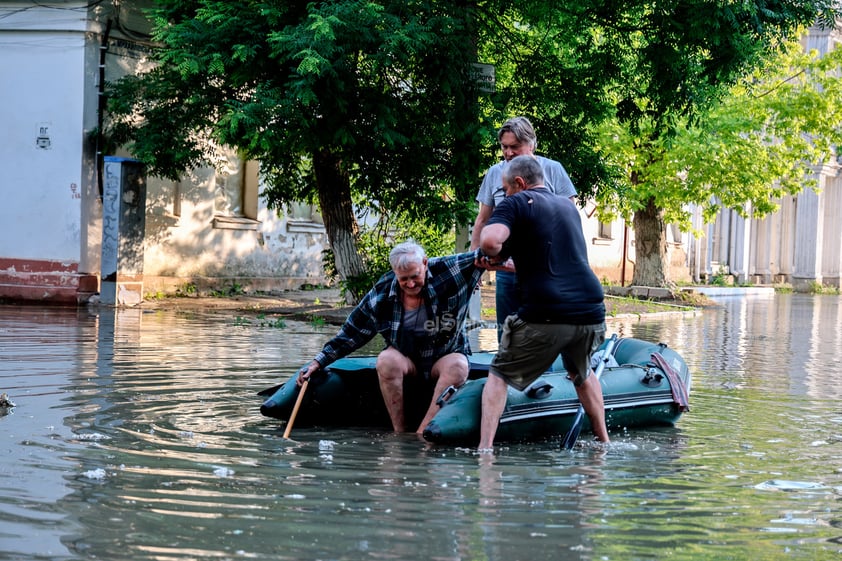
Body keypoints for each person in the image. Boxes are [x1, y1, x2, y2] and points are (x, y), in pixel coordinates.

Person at [476, 155, 608, 451]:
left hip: (547, 313)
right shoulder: (567, 207)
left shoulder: (517, 202)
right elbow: (550, 259)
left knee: (498, 373)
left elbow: (491, 241)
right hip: (591, 311)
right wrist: (508, 262)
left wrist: (488, 246)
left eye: (507, 189)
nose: (505, 194)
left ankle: (484, 451)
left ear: (519, 184)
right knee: (580, 373)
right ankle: (604, 444)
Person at [296, 240, 485, 434]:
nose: (410, 284)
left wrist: (513, 264)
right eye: (404, 279)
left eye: (415, 276)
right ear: (394, 272)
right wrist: (318, 362)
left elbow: (489, 253)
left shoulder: (450, 269)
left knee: (458, 366)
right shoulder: (381, 294)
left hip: (445, 355)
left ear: (425, 264)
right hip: (406, 358)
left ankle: (423, 434)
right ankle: (399, 433)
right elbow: (352, 332)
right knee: (386, 359)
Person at [469, 116, 577, 337]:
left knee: (544, 334)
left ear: (532, 144)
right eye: (504, 147)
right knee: (507, 335)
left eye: (515, 147)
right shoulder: (494, 173)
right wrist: (474, 267)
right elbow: (482, 221)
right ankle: (507, 369)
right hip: (506, 271)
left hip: (545, 271)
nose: (508, 153)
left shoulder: (553, 170)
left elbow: (569, 220)